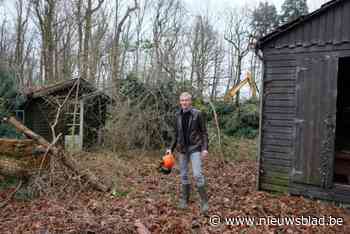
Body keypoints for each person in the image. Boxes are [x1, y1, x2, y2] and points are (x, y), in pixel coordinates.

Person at [167, 92, 209, 215]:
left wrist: (205, 148)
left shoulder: (198, 114)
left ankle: (204, 201)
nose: (184, 102)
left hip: (195, 148)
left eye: (186, 100)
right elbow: (176, 134)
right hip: (182, 149)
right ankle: (185, 199)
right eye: (182, 100)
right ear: (180, 102)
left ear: (190, 101)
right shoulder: (177, 115)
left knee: (197, 174)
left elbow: (204, 133)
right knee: (183, 175)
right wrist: (170, 148)